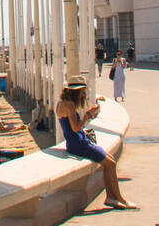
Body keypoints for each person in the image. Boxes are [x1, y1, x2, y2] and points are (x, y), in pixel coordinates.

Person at [55, 80, 136, 209]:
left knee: (109, 161)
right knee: (110, 163)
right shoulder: (69, 105)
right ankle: (119, 198)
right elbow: (75, 128)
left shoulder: (60, 103)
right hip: (79, 144)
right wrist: (87, 115)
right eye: (82, 92)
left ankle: (111, 197)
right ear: (75, 92)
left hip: (75, 142)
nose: (83, 95)